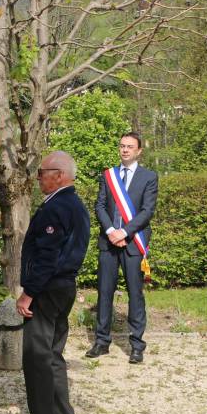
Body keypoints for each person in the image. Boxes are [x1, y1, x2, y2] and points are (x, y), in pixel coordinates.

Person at [14, 150, 90, 414]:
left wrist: (28, 294)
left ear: (58, 176)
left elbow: (48, 256)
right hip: (63, 287)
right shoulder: (75, 205)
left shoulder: (56, 208)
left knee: (37, 358)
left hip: (47, 290)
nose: (38, 179)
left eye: (42, 173)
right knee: (53, 354)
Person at [87, 131, 158, 364]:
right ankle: (101, 342)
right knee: (104, 293)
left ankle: (136, 345)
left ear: (138, 151)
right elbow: (100, 206)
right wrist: (111, 231)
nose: (125, 150)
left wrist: (124, 232)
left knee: (135, 294)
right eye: (122, 146)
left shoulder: (149, 177)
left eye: (130, 146)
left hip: (132, 243)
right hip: (108, 243)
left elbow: (147, 211)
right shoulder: (108, 176)